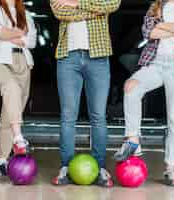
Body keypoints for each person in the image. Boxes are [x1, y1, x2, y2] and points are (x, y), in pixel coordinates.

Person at [114, 0, 174, 187]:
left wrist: (161, 26)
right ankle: (133, 140)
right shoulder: (156, 6)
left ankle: (170, 168)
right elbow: (149, 33)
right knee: (131, 87)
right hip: (155, 63)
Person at [50, 0, 121, 187]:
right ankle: (66, 166)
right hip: (68, 57)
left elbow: (112, 4)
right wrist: (94, 10)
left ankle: (100, 167)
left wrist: (75, 3)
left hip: (98, 56)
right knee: (67, 116)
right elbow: (59, 11)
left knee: (98, 115)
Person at [0, 0, 36, 176]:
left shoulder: (24, 13)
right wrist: (19, 34)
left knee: (12, 110)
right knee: (11, 88)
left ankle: (1, 159)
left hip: (23, 62)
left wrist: (10, 34)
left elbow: (32, 40)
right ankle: (19, 139)